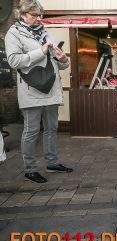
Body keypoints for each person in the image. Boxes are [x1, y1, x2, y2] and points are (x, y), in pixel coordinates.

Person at [6, 0, 73, 183]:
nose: (39, 19)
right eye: (34, 15)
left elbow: (60, 63)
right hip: (32, 90)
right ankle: (30, 169)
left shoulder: (45, 32)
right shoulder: (14, 33)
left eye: (40, 15)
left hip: (51, 87)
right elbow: (14, 61)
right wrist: (41, 52)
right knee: (32, 130)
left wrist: (64, 59)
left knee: (52, 128)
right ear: (22, 15)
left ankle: (52, 163)